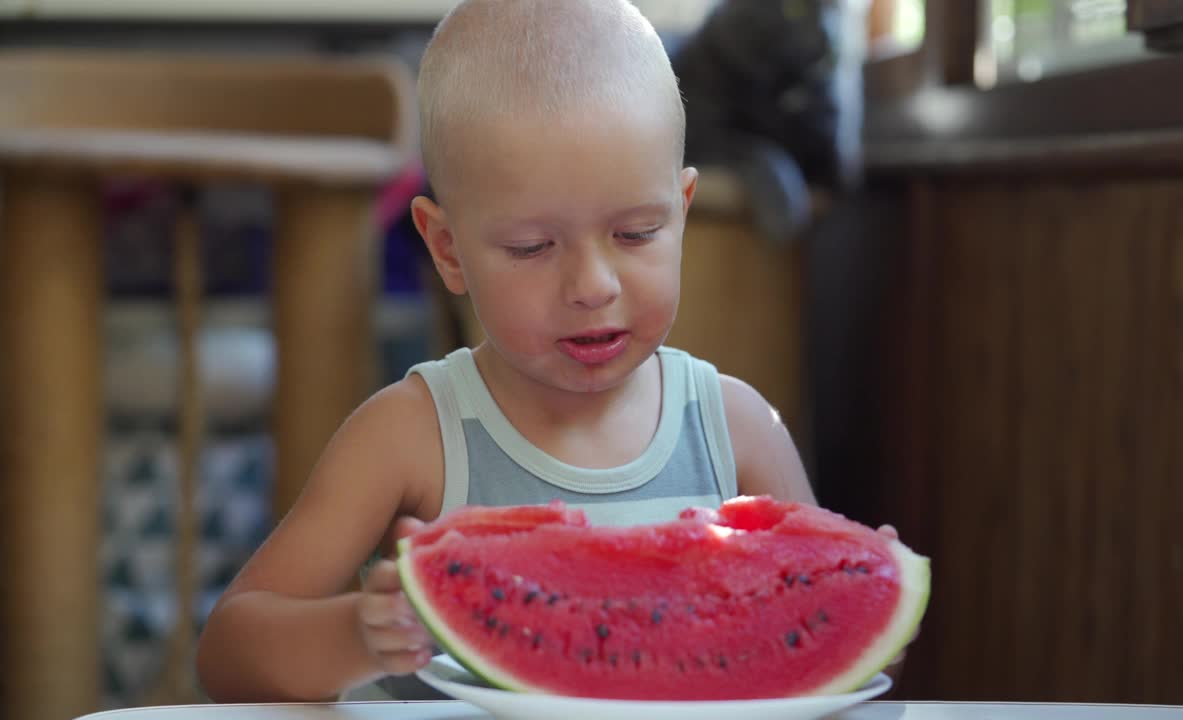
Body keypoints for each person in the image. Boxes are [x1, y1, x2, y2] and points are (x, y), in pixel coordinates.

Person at [196, 0, 897, 702]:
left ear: (681, 213)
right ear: (448, 250)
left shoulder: (738, 431)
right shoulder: (410, 437)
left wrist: (865, 585)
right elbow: (228, 651)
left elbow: (819, 642)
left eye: (636, 234)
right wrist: (357, 636)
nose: (593, 286)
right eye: (532, 247)